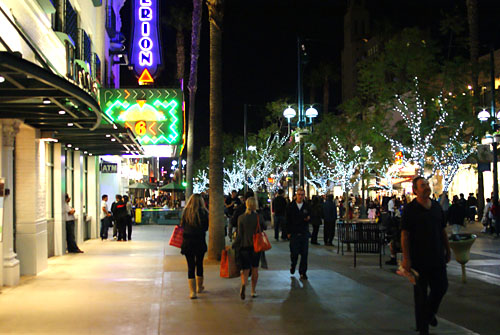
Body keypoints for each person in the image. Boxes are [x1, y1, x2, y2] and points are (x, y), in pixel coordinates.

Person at [401, 177, 451, 335]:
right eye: (423, 186)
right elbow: (405, 235)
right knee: (421, 295)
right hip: (418, 258)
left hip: (437, 256)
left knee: (441, 287)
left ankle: (429, 314)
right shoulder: (410, 209)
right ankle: (423, 328)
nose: (426, 188)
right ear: (415, 190)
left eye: (427, 185)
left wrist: (448, 250)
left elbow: (442, 230)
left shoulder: (436, 207)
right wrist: (406, 258)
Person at [233, 197, 265, 300]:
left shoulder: (241, 218)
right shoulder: (259, 217)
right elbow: (264, 227)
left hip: (244, 246)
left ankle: (243, 284)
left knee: (245, 269)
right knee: (255, 268)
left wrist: (234, 244)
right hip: (256, 246)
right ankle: (253, 291)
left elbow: (239, 235)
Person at [180, 194, 209, 299]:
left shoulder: (186, 212)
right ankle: (199, 287)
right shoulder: (204, 213)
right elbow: (206, 227)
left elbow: (182, 225)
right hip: (200, 241)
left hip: (187, 242)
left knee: (190, 266)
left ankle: (192, 292)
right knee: (199, 264)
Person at [285, 188, 311, 280]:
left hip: (303, 232)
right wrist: (288, 232)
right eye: (299, 194)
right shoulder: (291, 206)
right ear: (296, 195)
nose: (300, 196)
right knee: (294, 253)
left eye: (302, 194)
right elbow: (287, 220)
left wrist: (308, 218)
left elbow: (311, 216)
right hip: (294, 232)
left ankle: (303, 272)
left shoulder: (307, 206)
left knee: (304, 254)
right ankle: (293, 265)